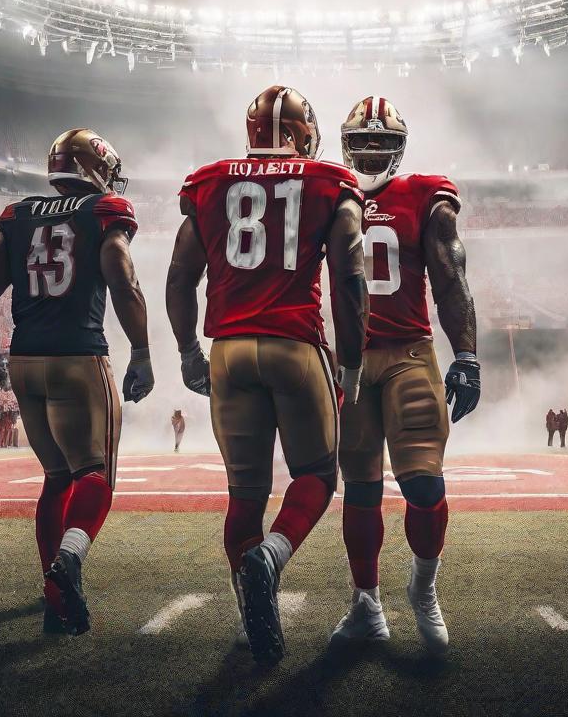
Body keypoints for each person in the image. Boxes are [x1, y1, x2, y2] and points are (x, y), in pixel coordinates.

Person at [166, 85, 367, 665]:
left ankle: (256, 625)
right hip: (293, 344)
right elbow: (349, 275)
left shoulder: (209, 181)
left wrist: (186, 352)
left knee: (244, 494)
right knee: (315, 475)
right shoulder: (329, 181)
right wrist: (350, 362)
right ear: (303, 134)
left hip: (228, 349)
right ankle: (272, 557)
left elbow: (180, 279)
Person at [0, 127, 155, 637]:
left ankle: (54, 599)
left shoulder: (17, 215)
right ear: (94, 169)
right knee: (95, 475)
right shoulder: (103, 211)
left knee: (55, 477)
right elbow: (121, 274)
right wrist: (140, 350)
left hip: (25, 360)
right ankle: (69, 560)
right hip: (79, 356)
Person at [329, 96, 479, 655]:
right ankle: (366, 604)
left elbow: (450, 276)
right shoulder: (328, 194)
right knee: (361, 489)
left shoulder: (423, 196)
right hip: (350, 359)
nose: (370, 153)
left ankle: (423, 588)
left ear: (399, 149)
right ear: (346, 146)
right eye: (362, 143)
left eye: (381, 144)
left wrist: (466, 355)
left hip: (411, 353)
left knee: (422, 483)